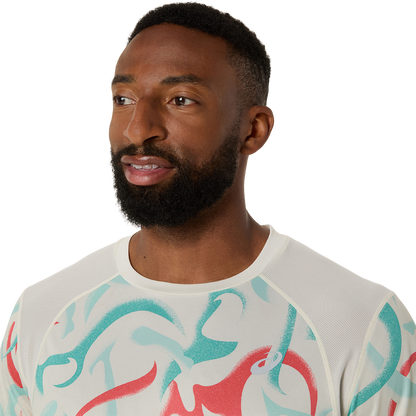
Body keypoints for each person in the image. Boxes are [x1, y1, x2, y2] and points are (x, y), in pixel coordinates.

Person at [1, 2, 414, 415]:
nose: (138, 129)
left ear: (253, 130)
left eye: (180, 100)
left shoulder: (364, 325)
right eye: (123, 98)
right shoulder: (40, 314)